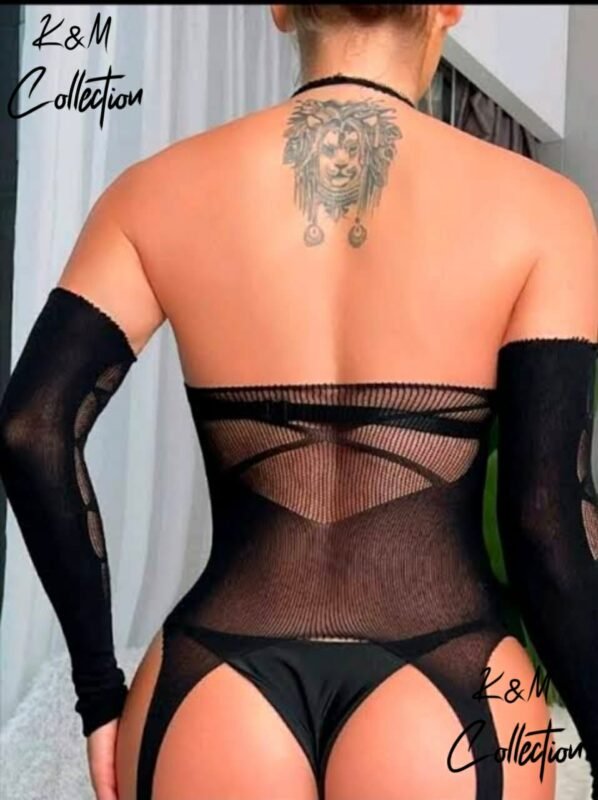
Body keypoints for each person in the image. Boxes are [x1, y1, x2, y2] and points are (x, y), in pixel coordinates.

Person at [0, 4, 597, 800]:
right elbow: (544, 520)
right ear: (449, 8)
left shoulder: (151, 192)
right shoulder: (544, 210)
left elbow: (32, 428)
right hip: (453, 696)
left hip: (212, 687)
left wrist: (100, 692)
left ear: (280, 9)